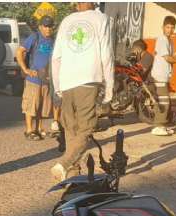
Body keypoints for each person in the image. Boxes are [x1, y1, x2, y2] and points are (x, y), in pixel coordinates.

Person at [50, 2, 113, 181]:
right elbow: (107, 54)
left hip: (67, 81)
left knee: (71, 130)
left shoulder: (67, 20)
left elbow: (56, 58)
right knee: (85, 129)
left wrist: (58, 87)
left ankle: (72, 178)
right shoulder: (101, 18)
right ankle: (65, 163)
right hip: (88, 79)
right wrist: (109, 86)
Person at [17, 15, 57, 141]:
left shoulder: (53, 40)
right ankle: (29, 130)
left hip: (46, 79)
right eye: (45, 26)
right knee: (31, 105)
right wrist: (25, 69)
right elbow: (19, 51)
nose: (48, 29)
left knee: (41, 106)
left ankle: (39, 128)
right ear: (40, 27)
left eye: (50, 26)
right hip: (33, 79)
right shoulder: (35, 37)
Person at [148, 16, 176, 136]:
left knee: (165, 101)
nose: (170, 30)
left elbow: (170, 59)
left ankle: (162, 125)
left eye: (172, 27)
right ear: (163, 27)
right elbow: (167, 58)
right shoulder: (162, 39)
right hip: (159, 75)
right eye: (167, 27)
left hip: (164, 76)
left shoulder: (169, 40)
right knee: (164, 102)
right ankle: (158, 126)